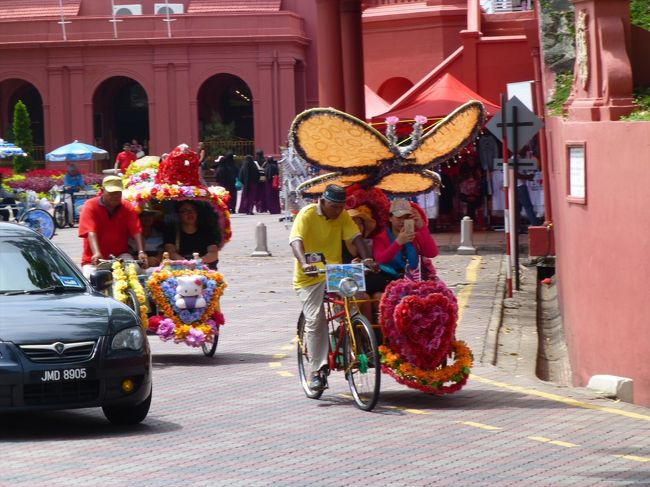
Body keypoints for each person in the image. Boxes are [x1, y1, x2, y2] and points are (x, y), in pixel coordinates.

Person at [289, 184, 377, 391]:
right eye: (333, 206)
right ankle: (318, 371)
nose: (337, 211)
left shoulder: (342, 215)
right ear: (322, 201)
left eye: (340, 207)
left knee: (355, 305)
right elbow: (296, 241)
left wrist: (368, 259)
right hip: (310, 276)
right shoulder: (307, 214)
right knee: (316, 319)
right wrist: (304, 263)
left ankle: (354, 344)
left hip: (335, 272)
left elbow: (356, 237)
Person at [78, 175, 147, 279]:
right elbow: (90, 231)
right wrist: (96, 253)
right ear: (102, 190)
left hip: (120, 256)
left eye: (118, 193)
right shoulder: (90, 206)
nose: (115, 196)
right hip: (95, 259)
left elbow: (136, 230)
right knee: (91, 278)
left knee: (136, 271)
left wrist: (141, 252)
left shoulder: (127, 207)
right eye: (111, 193)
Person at [373, 198, 438, 280]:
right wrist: (398, 243)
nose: (402, 221)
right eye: (399, 217)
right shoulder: (381, 238)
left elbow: (432, 253)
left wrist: (422, 227)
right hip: (390, 279)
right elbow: (380, 260)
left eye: (406, 217)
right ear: (390, 218)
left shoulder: (415, 235)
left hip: (416, 279)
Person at [163, 200, 220, 269]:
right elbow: (171, 253)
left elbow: (213, 253)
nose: (190, 213)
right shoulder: (172, 231)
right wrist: (186, 263)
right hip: (180, 269)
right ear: (178, 215)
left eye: (193, 209)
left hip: (204, 268)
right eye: (184, 211)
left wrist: (197, 262)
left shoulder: (207, 230)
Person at [129, 204, 164, 269]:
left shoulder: (159, 234)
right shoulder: (130, 236)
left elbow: (162, 253)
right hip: (135, 268)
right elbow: (127, 255)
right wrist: (144, 260)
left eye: (150, 215)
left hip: (156, 268)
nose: (147, 218)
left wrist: (156, 260)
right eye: (143, 215)